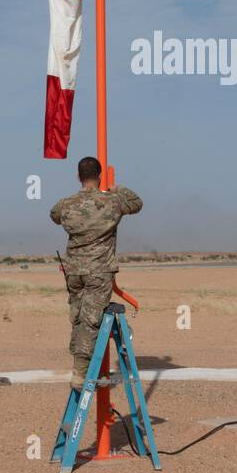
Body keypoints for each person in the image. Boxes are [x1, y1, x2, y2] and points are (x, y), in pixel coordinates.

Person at [50, 156, 143, 389]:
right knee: (91, 321)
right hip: (98, 271)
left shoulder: (67, 204)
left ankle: (81, 367)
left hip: (74, 272)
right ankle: (81, 374)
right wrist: (116, 188)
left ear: (78, 176)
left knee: (78, 317)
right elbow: (137, 203)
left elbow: (54, 215)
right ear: (99, 175)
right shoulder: (112, 201)